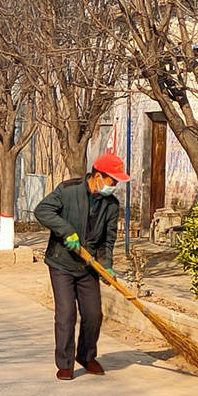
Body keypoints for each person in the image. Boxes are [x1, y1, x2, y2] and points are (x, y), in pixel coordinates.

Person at [34, 153, 128, 381]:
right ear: (97, 176)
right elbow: (42, 211)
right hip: (61, 262)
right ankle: (65, 363)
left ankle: (86, 356)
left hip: (88, 265)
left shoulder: (111, 206)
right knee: (66, 315)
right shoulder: (69, 191)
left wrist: (106, 266)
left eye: (116, 182)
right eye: (111, 180)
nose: (114, 185)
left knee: (94, 314)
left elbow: (108, 240)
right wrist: (67, 231)